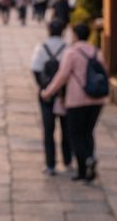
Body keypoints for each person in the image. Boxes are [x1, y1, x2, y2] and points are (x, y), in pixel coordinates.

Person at [41, 22, 106, 182]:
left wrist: (48, 92)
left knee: (76, 134)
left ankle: (83, 169)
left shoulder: (71, 52)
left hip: (77, 100)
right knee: (88, 132)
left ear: (75, 36)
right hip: (96, 99)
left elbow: (62, 76)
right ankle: (90, 157)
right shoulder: (96, 52)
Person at [30, 19, 72, 175]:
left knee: (49, 130)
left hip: (47, 94)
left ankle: (50, 164)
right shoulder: (68, 48)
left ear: (48, 30)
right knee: (66, 128)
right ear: (63, 31)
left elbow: (35, 69)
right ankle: (67, 159)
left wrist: (44, 89)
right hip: (65, 95)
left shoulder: (42, 47)